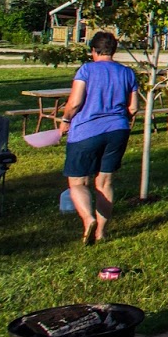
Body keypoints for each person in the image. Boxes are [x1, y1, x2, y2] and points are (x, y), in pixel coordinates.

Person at [61, 30, 140, 244]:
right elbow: (133, 108)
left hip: (86, 132)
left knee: (78, 182)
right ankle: (102, 233)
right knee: (105, 183)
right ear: (113, 50)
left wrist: (65, 120)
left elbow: (75, 103)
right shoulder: (127, 73)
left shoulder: (86, 70)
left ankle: (88, 219)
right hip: (117, 131)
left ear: (94, 51)